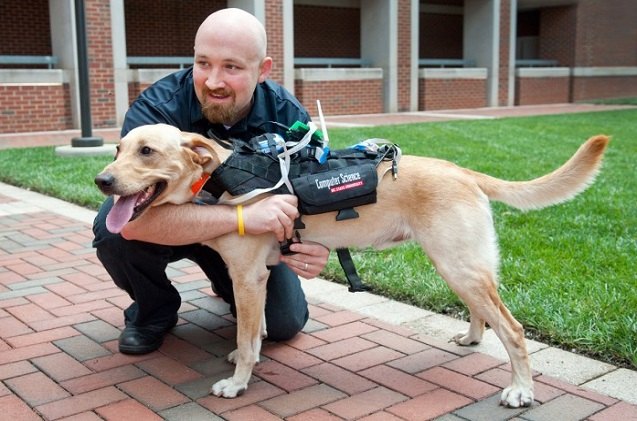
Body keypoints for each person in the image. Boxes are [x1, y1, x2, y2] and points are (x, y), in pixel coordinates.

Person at [92, 8, 330, 355]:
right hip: (178, 225)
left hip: (243, 241)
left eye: (231, 67)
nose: (214, 81)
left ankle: (226, 280)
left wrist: (314, 246)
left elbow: (312, 200)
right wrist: (242, 218)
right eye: (203, 63)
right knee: (112, 230)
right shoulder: (158, 109)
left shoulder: (287, 117)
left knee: (284, 324)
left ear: (262, 69)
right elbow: (132, 225)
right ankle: (154, 311)